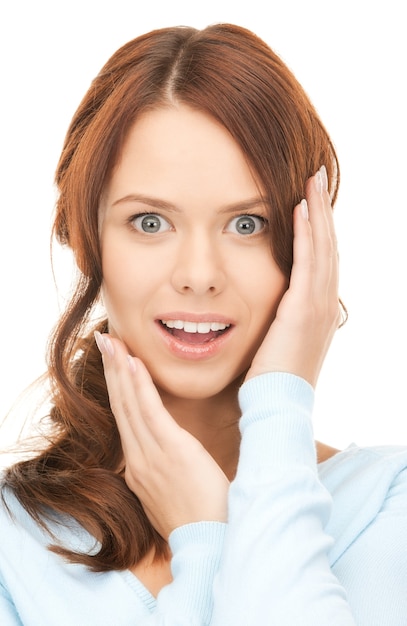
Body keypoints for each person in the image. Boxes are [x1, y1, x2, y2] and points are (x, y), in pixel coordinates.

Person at [0, 22, 406, 626]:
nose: (198, 275)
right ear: (88, 242)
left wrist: (208, 529)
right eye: (148, 222)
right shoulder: (15, 545)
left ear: (307, 244)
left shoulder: (386, 504)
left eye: (246, 224)